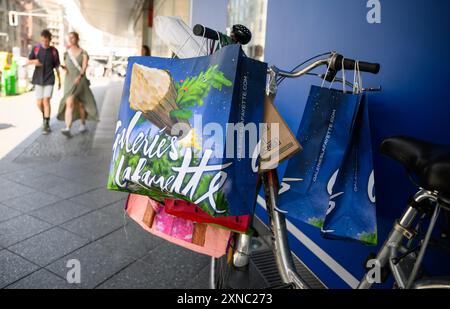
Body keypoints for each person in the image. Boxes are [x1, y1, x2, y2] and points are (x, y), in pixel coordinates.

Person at [58, 31, 99, 137]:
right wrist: (63, 68)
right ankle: (68, 127)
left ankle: (82, 123)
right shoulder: (66, 53)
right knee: (69, 102)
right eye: (69, 38)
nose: (71, 39)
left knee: (81, 104)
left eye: (73, 37)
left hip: (80, 81)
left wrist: (79, 76)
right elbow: (66, 66)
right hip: (69, 80)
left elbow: (84, 67)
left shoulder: (83, 52)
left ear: (77, 39)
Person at [27, 29, 61, 135]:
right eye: (42, 40)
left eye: (46, 41)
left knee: (46, 100)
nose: (44, 43)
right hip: (38, 79)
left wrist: (60, 80)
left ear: (50, 40)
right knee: (39, 103)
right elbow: (29, 61)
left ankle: (46, 124)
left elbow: (57, 66)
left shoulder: (54, 51)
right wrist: (35, 62)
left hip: (49, 79)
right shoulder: (36, 49)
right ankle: (45, 116)